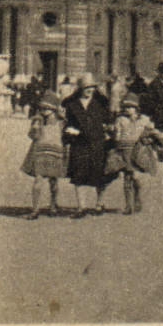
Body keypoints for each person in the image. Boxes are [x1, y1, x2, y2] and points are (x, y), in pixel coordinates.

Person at [61, 72, 116, 218]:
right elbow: (67, 124)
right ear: (80, 89)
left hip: (98, 144)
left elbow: (109, 121)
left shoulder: (100, 104)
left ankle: (99, 204)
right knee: (78, 175)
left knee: (101, 175)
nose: (89, 90)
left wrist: (109, 130)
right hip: (79, 144)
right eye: (86, 88)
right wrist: (70, 131)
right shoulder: (72, 105)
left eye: (92, 88)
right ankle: (81, 207)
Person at [108, 95, 163, 214]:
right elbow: (117, 136)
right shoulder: (120, 120)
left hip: (138, 150)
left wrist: (151, 139)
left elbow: (153, 132)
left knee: (135, 177)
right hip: (124, 150)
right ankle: (128, 205)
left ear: (136, 108)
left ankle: (137, 198)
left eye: (131, 107)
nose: (127, 109)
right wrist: (115, 135)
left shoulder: (144, 120)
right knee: (127, 177)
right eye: (125, 107)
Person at [20, 91, 67, 219]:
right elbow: (31, 136)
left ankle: (53, 205)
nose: (45, 111)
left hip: (55, 152)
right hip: (40, 151)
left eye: (49, 109)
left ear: (54, 109)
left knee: (53, 181)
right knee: (38, 179)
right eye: (43, 108)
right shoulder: (38, 120)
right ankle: (35, 209)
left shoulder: (60, 121)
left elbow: (65, 135)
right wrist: (35, 128)